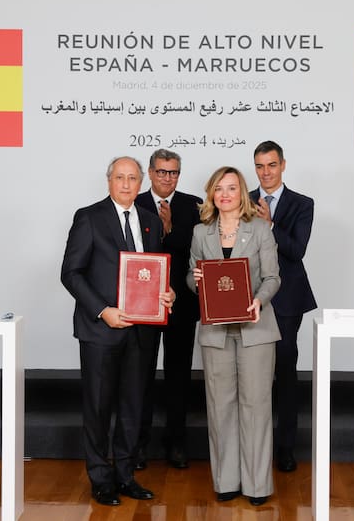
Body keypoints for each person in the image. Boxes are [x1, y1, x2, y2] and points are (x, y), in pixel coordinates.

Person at [60, 156, 175, 506]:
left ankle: (125, 476)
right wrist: (103, 310)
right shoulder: (89, 217)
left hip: (140, 333)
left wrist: (165, 294)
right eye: (120, 177)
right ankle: (100, 478)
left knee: (132, 407)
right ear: (109, 180)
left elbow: (151, 275)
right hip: (101, 330)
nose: (126, 184)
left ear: (142, 183)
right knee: (98, 407)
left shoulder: (152, 223)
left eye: (133, 178)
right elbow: (71, 273)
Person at [187, 166, 280, 506]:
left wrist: (258, 300)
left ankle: (257, 485)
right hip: (216, 332)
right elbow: (190, 278)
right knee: (220, 406)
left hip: (256, 329)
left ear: (242, 193)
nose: (225, 194)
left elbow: (273, 278)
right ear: (211, 194)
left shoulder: (259, 230)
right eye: (218, 189)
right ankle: (226, 481)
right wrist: (195, 280)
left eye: (231, 188)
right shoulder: (201, 233)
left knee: (255, 406)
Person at [250, 140, 317, 473]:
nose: (266, 172)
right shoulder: (242, 200)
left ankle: (286, 448)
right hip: (250, 300)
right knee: (254, 376)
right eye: (260, 166)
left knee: (285, 374)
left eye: (271, 165)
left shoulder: (302, 204)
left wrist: (271, 225)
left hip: (287, 300)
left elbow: (296, 251)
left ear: (283, 165)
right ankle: (255, 449)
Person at [135, 149, 202, 470]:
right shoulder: (134, 203)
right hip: (143, 305)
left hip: (183, 304)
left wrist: (171, 229)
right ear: (150, 173)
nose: (166, 178)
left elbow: (196, 251)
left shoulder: (194, 206)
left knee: (178, 377)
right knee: (140, 376)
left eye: (173, 173)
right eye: (161, 172)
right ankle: (138, 444)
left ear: (179, 175)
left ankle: (176, 442)